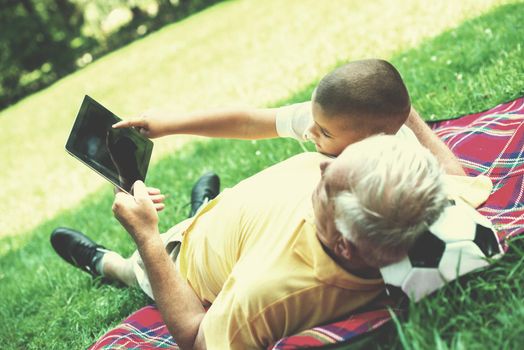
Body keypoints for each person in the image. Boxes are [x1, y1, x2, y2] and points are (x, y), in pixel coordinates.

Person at [51, 135, 449, 349]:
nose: (324, 162)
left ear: (344, 246)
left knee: (137, 267)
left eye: (329, 181)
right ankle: (201, 206)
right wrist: (404, 110)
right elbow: (460, 181)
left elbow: (195, 339)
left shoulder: (268, 292)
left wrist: (146, 235)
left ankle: (104, 262)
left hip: (188, 258)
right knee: (200, 214)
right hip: (233, 222)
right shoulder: (416, 197)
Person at [112, 58, 466, 176]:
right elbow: (250, 122)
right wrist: (170, 124)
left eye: (322, 130)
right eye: (313, 117)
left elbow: (458, 182)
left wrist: (407, 116)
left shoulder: (403, 170)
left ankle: (110, 264)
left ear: (370, 143)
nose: (309, 130)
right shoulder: (330, 122)